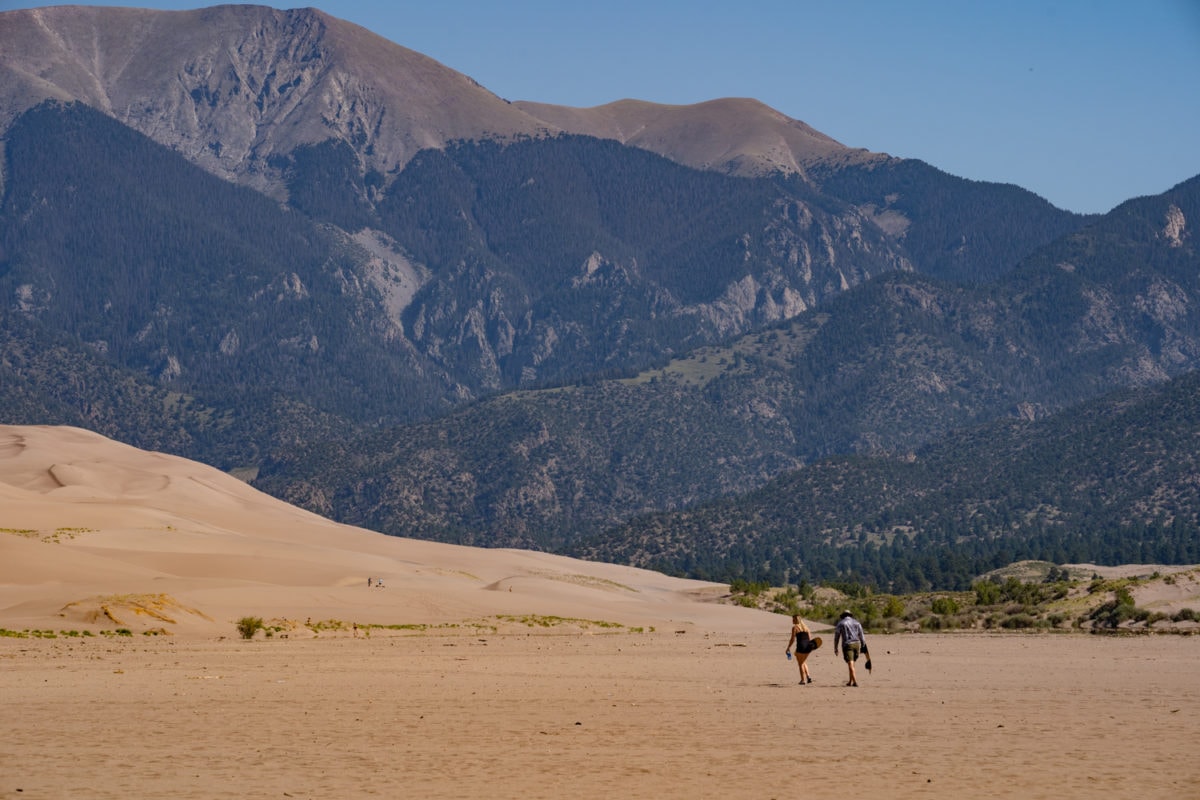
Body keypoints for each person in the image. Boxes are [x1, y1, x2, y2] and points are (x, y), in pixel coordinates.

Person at [833, 610, 867, 687]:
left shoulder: (841, 623)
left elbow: (837, 637)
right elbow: (861, 635)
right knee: (852, 663)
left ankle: (855, 682)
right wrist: (863, 645)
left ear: (843, 616)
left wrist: (836, 647)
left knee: (850, 664)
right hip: (857, 644)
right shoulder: (857, 622)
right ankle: (850, 681)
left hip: (847, 644)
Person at [785, 614, 818, 684]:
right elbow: (809, 638)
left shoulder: (795, 628)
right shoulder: (806, 627)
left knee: (800, 664)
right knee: (803, 661)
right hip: (808, 647)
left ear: (796, 620)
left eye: (793, 619)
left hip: (801, 646)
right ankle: (808, 677)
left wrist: (788, 647)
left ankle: (803, 680)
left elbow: (792, 639)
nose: (792, 620)